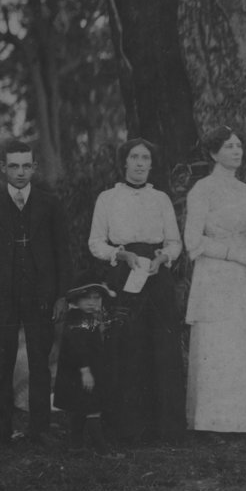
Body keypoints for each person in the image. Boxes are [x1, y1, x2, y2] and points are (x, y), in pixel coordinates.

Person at [0, 140, 72, 450]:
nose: (20, 172)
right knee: (2, 364)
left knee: (40, 364)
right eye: (14, 166)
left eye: (26, 165)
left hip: (41, 295)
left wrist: (61, 295)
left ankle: (40, 430)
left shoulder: (50, 204)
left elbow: (62, 252)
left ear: (34, 167)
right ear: (3, 168)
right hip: (1, 297)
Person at [88, 138, 186, 443]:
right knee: (127, 346)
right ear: (124, 162)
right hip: (124, 273)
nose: (140, 163)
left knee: (161, 346)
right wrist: (120, 254)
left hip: (156, 275)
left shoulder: (161, 199)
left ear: (152, 164)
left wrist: (163, 257)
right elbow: (95, 243)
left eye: (145, 158)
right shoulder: (108, 198)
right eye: (134, 157)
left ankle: (164, 429)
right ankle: (127, 428)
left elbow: (175, 242)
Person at [183, 127, 246, 434]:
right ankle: (213, 421)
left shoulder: (245, 191)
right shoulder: (202, 189)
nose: (236, 151)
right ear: (213, 153)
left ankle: (243, 418)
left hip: (243, 279)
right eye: (229, 146)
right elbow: (192, 241)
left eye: (239, 146)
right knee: (218, 345)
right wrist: (234, 254)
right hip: (215, 275)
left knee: (241, 342)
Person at [53, 273, 121, 456]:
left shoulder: (84, 316)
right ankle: (102, 450)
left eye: (96, 298)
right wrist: (85, 371)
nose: (92, 302)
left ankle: (75, 446)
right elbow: (77, 347)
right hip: (82, 371)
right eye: (87, 298)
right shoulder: (79, 319)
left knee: (79, 408)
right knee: (93, 410)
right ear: (76, 300)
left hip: (81, 371)